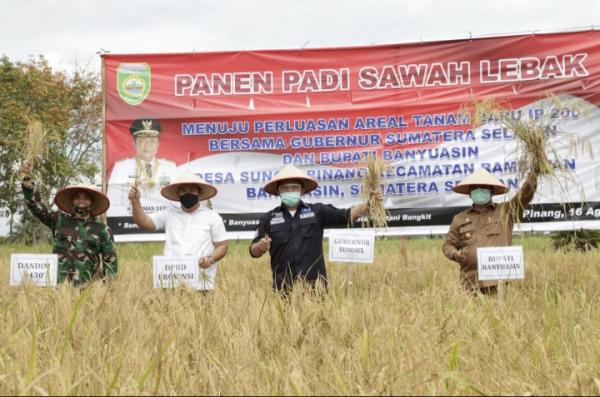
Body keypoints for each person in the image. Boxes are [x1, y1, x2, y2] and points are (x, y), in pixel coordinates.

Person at [249, 164, 383, 293]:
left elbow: (348, 215)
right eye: (285, 188)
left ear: (302, 191)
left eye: (294, 187)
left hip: (316, 289)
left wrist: (369, 204)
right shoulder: (268, 218)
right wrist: (260, 247)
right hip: (283, 289)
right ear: (279, 191)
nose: (290, 191)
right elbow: (253, 251)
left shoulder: (318, 211)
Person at [442, 167, 538, 295]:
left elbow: (525, 195)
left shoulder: (507, 211)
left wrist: (534, 174)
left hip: (499, 283)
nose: (480, 190)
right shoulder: (459, 218)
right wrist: (455, 254)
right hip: (470, 283)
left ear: (492, 192)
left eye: (484, 187)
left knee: (501, 314)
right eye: (475, 188)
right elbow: (448, 245)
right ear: (470, 193)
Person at [20, 161, 118, 285]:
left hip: (89, 290)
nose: (81, 201)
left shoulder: (103, 230)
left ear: (92, 202)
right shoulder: (59, 220)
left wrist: (108, 291)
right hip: (59, 290)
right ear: (72, 201)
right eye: (77, 197)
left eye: (86, 198)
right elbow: (36, 206)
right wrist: (27, 180)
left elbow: (110, 263)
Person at [129, 171, 228, 290]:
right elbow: (143, 222)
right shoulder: (169, 213)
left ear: (199, 192)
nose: (187, 193)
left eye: (192, 190)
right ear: (178, 194)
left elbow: (222, 246)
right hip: (171, 282)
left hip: (201, 284)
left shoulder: (212, 217)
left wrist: (210, 259)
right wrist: (135, 202)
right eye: (183, 190)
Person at [107, 118, 177, 213]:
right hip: (130, 222)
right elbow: (113, 203)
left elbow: (177, 201)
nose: (147, 145)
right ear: (134, 144)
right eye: (142, 141)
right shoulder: (121, 167)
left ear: (158, 144)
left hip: (164, 222)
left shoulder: (170, 167)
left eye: (152, 141)